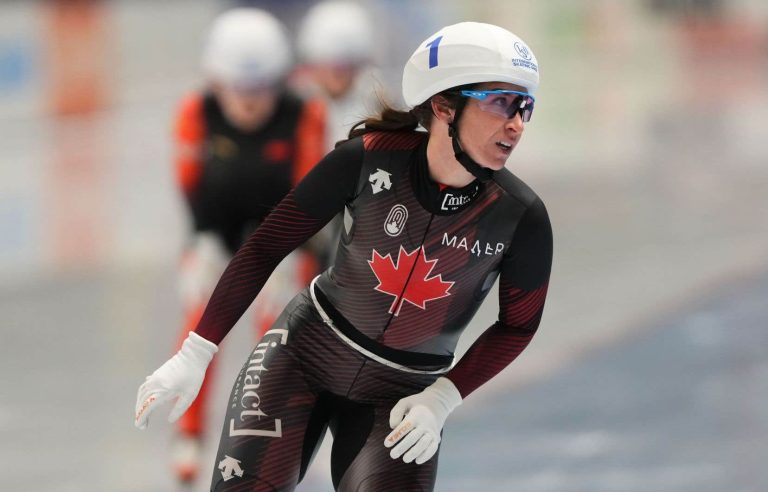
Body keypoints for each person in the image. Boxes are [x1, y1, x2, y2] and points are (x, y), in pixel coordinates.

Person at [136, 21, 552, 492]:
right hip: (302, 358)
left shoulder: (521, 218)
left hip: (400, 395)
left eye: (525, 108)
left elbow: (519, 323)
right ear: (443, 106)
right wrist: (196, 352)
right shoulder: (367, 159)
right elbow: (266, 247)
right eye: (500, 102)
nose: (516, 124)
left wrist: (444, 397)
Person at [168, 7, 327, 484]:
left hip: (281, 232)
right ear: (217, 81)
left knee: (279, 334)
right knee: (200, 325)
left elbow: (310, 189)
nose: (251, 104)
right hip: (217, 229)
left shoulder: (305, 113)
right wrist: (200, 245)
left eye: (261, 91)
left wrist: (299, 251)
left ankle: (271, 436)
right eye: (240, 91)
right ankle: (190, 433)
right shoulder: (195, 111)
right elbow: (190, 186)